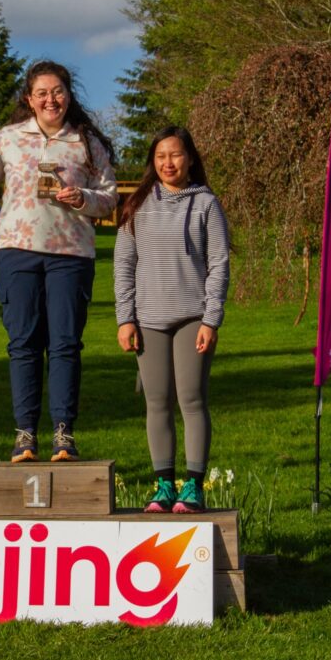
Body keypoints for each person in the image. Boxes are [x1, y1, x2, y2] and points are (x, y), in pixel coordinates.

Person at [0, 60, 117, 463]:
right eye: (42, 93)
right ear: (29, 99)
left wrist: (83, 198)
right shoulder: (8, 138)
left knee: (66, 345)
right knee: (23, 344)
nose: (51, 99)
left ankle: (64, 435)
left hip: (71, 254)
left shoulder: (87, 142)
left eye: (58, 92)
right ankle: (24, 436)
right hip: (17, 250)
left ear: (68, 95)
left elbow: (110, 195)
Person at [113, 125, 229, 513]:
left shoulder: (206, 205)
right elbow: (124, 264)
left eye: (175, 155)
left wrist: (211, 319)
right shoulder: (138, 205)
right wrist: (125, 318)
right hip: (148, 320)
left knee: (192, 399)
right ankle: (164, 485)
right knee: (157, 403)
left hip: (193, 318)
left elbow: (219, 264)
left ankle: (193, 486)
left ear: (190, 158)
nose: (168, 163)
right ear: (153, 161)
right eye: (160, 156)